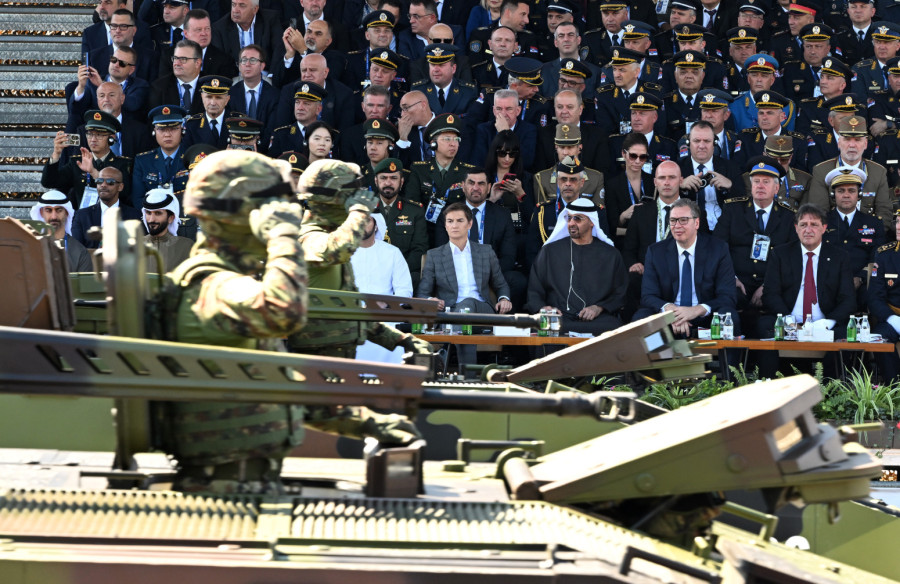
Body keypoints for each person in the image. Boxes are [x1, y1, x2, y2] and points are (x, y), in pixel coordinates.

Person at [157, 150, 418, 494]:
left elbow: (285, 392)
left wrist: (368, 422)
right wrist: (281, 236)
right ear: (235, 218)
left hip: (247, 482)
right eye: (269, 210)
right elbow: (285, 311)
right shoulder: (214, 287)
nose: (285, 216)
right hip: (222, 489)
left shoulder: (233, 284)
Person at [287, 159, 430, 360]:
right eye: (347, 200)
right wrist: (359, 213)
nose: (350, 208)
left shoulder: (337, 239)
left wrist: (401, 340)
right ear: (329, 202)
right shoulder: (308, 237)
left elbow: (353, 312)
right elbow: (336, 250)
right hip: (315, 360)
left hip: (340, 356)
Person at [759, 204, 856, 378]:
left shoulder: (840, 257)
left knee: (845, 334)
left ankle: (832, 390)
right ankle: (772, 387)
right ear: (796, 228)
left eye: (814, 225)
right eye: (803, 225)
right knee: (764, 326)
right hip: (790, 321)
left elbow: (848, 299)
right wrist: (789, 322)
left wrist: (826, 323)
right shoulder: (780, 254)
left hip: (825, 323)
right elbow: (770, 294)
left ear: (824, 228)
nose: (808, 230)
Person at [417, 201, 512, 364]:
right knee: (462, 312)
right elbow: (422, 293)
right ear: (445, 225)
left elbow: (501, 284)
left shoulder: (485, 251)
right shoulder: (434, 255)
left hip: (482, 311)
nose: (454, 225)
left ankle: (449, 362)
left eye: (460, 220)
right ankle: (467, 371)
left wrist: (504, 298)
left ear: (470, 224)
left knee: (467, 304)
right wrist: (430, 300)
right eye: (450, 221)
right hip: (449, 312)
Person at [714, 155, 797, 336]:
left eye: (766, 182)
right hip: (736, 283)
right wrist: (732, 278)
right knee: (726, 309)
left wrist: (768, 285)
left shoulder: (789, 216)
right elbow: (718, 248)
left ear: (776, 188)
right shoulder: (733, 210)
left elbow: (791, 258)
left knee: (776, 315)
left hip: (772, 286)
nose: (760, 186)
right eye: (756, 181)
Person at [634, 198, 739, 338]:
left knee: (730, 317)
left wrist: (697, 310)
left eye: (683, 220)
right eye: (673, 220)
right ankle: (657, 353)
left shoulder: (718, 249)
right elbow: (648, 296)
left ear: (697, 223)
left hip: (705, 316)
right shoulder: (656, 252)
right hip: (669, 317)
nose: (677, 225)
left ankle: (726, 355)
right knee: (641, 318)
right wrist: (671, 311)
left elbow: (728, 296)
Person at [526, 198, 627, 335]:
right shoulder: (549, 251)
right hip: (559, 317)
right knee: (540, 327)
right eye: (569, 218)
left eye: (577, 219)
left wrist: (599, 308)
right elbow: (534, 290)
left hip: (597, 320)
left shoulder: (610, 254)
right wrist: (544, 308)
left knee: (615, 328)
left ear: (592, 222)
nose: (571, 223)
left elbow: (620, 293)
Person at [805, 115, 893, 231]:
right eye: (847, 139)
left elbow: (884, 213)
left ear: (865, 144)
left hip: (867, 236)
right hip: (832, 236)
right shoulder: (821, 171)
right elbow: (818, 213)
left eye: (857, 140)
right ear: (839, 142)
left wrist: (866, 234)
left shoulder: (878, 172)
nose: (852, 145)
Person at [350, 211, 414, 363]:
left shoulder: (392, 253)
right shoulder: (345, 253)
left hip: (385, 319)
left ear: (376, 225)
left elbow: (405, 290)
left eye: (367, 220)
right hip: (352, 318)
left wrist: (385, 303)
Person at [42, 109, 133, 209]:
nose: (93, 139)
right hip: (84, 217)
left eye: (99, 135)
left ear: (111, 138)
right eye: (90, 134)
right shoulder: (77, 162)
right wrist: (56, 154)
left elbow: (125, 194)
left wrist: (94, 173)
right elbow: (49, 182)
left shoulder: (122, 164)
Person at [822, 166, 884, 309]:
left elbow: (878, 256)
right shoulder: (821, 222)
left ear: (859, 194)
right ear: (833, 195)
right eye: (840, 191)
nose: (846, 195)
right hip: (828, 284)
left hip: (863, 286)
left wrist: (861, 277)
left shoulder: (874, 223)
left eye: (851, 191)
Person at [678, 120, 742, 232]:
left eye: (707, 141)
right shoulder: (677, 169)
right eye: (697, 141)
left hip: (724, 227)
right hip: (688, 227)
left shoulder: (731, 167)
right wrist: (680, 187)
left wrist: (730, 186)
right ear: (688, 143)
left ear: (714, 143)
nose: (701, 146)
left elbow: (744, 201)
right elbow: (665, 199)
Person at [372, 158, 428, 285]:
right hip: (371, 273)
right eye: (383, 178)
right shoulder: (364, 209)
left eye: (393, 178)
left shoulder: (414, 210)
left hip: (403, 275)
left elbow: (419, 249)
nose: (388, 182)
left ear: (401, 182)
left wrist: (398, 271)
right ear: (376, 181)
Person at [71, 166, 143, 249]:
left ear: (120, 187)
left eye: (110, 182)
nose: (103, 185)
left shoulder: (135, 216)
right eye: (99, 181)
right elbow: (76, 250)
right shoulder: (82, 215)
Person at [132, 105, 188, 207]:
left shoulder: (193, 158)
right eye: (161, 129)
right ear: (154, 131)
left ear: (182, 130)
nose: (167, 134)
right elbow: (137, 199)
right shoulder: (143, 161)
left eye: (173, 129)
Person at [605, 132, 654, 247]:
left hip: (649, 243)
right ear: (624, 154)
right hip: (623, 244)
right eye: (633, 156)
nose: (637, 161)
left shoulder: (653, 182)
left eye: (643, 157)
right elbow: (610, 226)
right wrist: (623, 216)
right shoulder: (612, 185)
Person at [868, 210, 900, 382]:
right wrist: (892, 319)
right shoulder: (884, 254)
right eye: (897, 222)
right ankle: (893, 389)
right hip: (892, 317)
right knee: (878, 339)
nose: (898, 227)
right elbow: (874, 297)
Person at [29, 190, 92, 272]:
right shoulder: (30, 247)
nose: (54, 217)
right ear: (41, 213)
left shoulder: (80, 252)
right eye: (48, 210)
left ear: (66, 213)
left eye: (59, 210)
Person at [141, 188, 194, 273]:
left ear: (171, 218)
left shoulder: (186, 246)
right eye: (148, 213)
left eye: (158, 213)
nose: (151, 219)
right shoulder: (134, 245)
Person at [148, 39, 205, 115]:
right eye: (175, 58)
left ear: (197, 63)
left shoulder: (209, 85)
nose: (177, 63)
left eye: (183, 59)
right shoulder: (159, 87)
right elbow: (154, 119)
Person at [182, 75, 235, 150]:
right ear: (202, 97)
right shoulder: (192, 125)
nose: (213, 103)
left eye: (218, 98)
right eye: (209, 97)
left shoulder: (236, 123)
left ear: (227, 99)